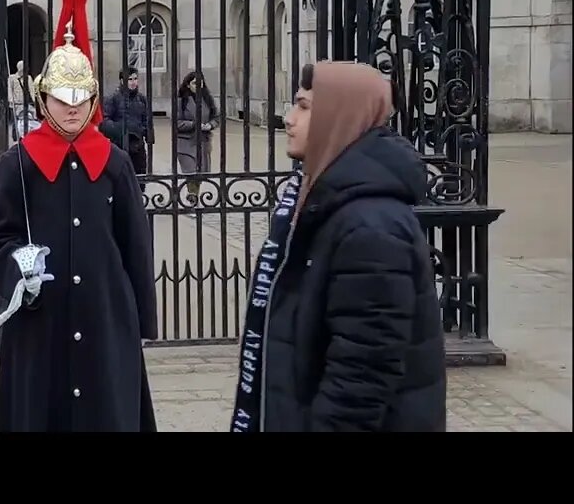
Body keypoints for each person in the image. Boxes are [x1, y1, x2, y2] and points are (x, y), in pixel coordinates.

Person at [0, 0, 158, 432]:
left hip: (104, 317)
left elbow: (135, 245)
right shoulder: (18, 162)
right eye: (62, 98)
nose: (72, 109)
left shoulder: (114, 163)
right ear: (44, 98)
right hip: (41, 326)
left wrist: (137, 321)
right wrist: (21, 266)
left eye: (80, 99)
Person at [229, 61, 446, 433]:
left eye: (304, 106)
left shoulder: (371, 227)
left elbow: (359, 381)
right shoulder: (316, 201)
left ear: (339, 117)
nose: (288, 118)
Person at [175, 71, 219, 206]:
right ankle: (193, 199)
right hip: (186, 142)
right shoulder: (181, 101)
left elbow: (217, 117)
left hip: (203, 142)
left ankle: (194, 197)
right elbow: (176, 123)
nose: (198, 86)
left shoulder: (207, 99)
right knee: (191, 172)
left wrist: (210, 125)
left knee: (200, 173)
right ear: (188, 85)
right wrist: (194, 125)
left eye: (200, 83)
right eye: (194, 83)